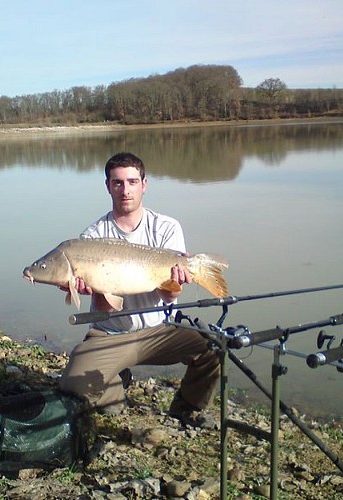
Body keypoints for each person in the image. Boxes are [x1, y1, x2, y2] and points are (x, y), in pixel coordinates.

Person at [57, 152, 220, 427]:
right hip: (111, 334)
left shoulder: (166, 227)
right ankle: (116, 382)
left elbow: (169, 295)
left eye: (132, 181)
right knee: (73, 386)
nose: (126, 190)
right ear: (108, 186)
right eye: (118, 183)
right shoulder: (92, 237)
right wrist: (94, 289)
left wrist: (177, 281)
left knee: (216, 344)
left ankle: (186, 406)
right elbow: (108, 307)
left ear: (144, 184)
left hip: (160, 331)